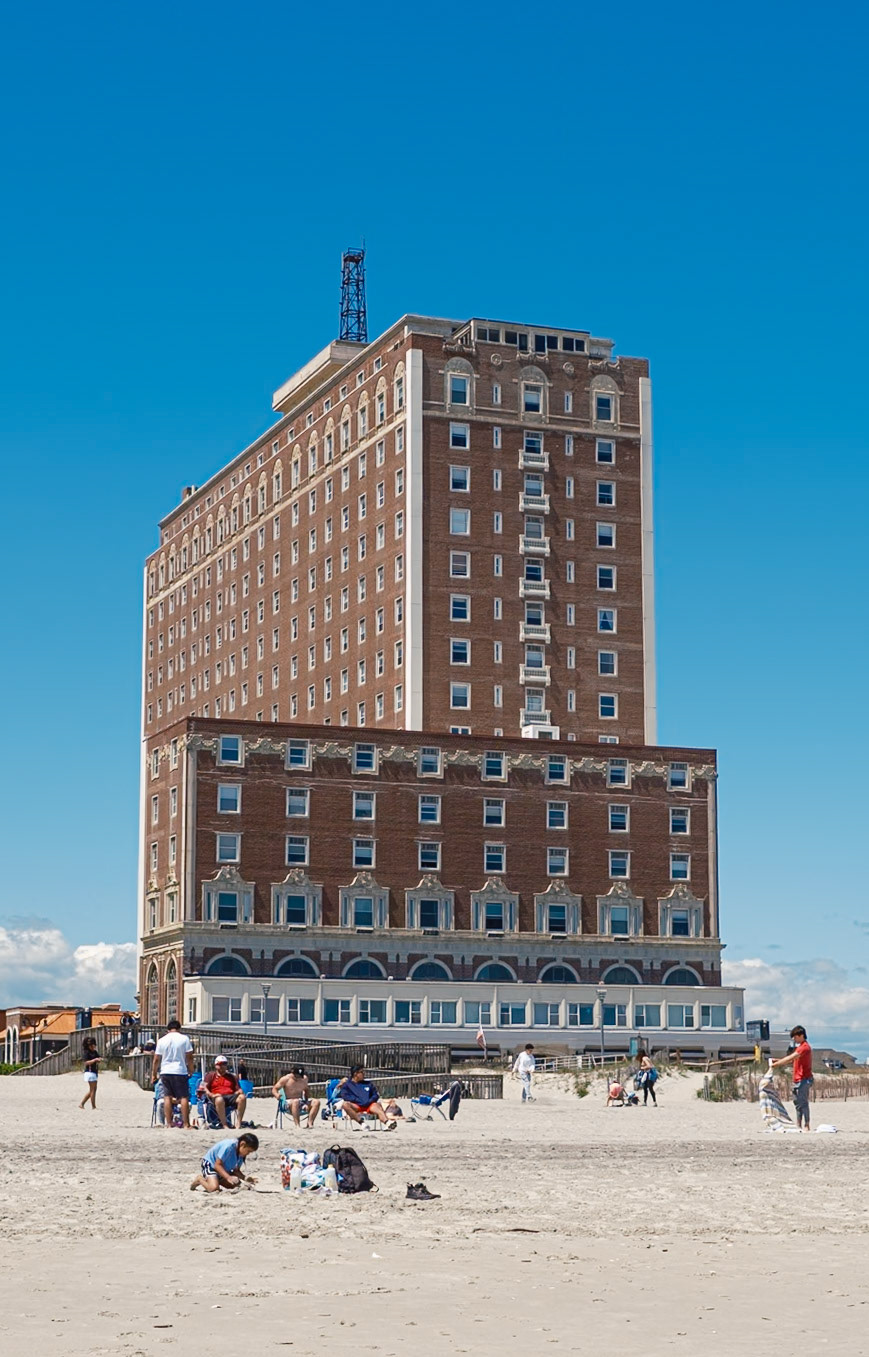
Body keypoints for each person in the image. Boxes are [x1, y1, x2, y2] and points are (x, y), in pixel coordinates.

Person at [150, 1019, 194, 1129]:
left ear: (168, 1029)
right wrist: (191, 1069)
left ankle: (169, 1123)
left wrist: (153, 1074)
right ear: (179, 1028)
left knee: (167, 1097)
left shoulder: (161, 1040)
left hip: (165, 1071)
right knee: (184, 1097)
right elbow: (189, 1056)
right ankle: (185, 1123)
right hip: (180, 1070)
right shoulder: (184, 1039)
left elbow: (156, 1059)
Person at [770, 1025, 813, 1131]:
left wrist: (777, 1064)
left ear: (801, 1035)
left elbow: (791, 1057)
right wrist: (778, 1060)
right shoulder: (799, 1048)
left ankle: (807, 1124)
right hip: (797, 1079)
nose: (794, 1039)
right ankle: (798, 1124)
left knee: (803, 1102)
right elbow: (791, 1059)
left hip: (804, 1079)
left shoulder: (805, 1047)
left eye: (795, 1037)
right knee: (797, 1103)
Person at [190, 1132, 260, 1192]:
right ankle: (200, 1179)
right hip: (211, 1165)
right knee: (214, 1189)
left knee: (235, 1185)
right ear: (242, 1144)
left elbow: (236, 1170)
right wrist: (228, 1177)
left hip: (223, 1169)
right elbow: (217, 1165)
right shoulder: (229, 1146)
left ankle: (216, 1180)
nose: (248, 1154)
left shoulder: (240, 1154)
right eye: (248, 1151)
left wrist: (246, 1178)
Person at [203, 1055, 247, 1129]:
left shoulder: (232, 1076)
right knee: (219, 1099)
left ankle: (238, 1123)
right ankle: (224, 1124)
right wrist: (211, 1094)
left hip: (230, 1096)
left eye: (225, 1064)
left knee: (242, 1098)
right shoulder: (210, 1075)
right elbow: (204, 1088)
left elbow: (238, 1089)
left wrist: (239, 1092)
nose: (223, 1066)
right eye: (221, 1064)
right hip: (216, 1096)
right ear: (216, 1065)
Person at [272, 1065, 321, 1129]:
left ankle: (310, 1123)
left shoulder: (304, 1079)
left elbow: (306, 1090)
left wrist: (306, 1102)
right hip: (288, 1103)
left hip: (301, 1102)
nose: (299, 1078)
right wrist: (277, 1095)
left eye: (300, 1076)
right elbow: (274, 1089)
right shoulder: (286, 1079)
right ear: (293, 1073)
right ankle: (297, 1125)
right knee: (296, 1101)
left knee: (316, 1102)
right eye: (297, 1076)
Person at [79, 1037, 101, 1110]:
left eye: (94, 1045)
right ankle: (93, 1106)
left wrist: (99, 1059)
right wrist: (94, 1060)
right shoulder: (86, 1052)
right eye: (92, 1045)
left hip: (94, 1072)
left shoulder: (94, 1052)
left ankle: (82, 1103)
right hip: (89, 1072)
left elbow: (99, 1057)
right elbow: (86, 1062)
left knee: (94, 1089)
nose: (93, 1047)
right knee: (92, 1090)